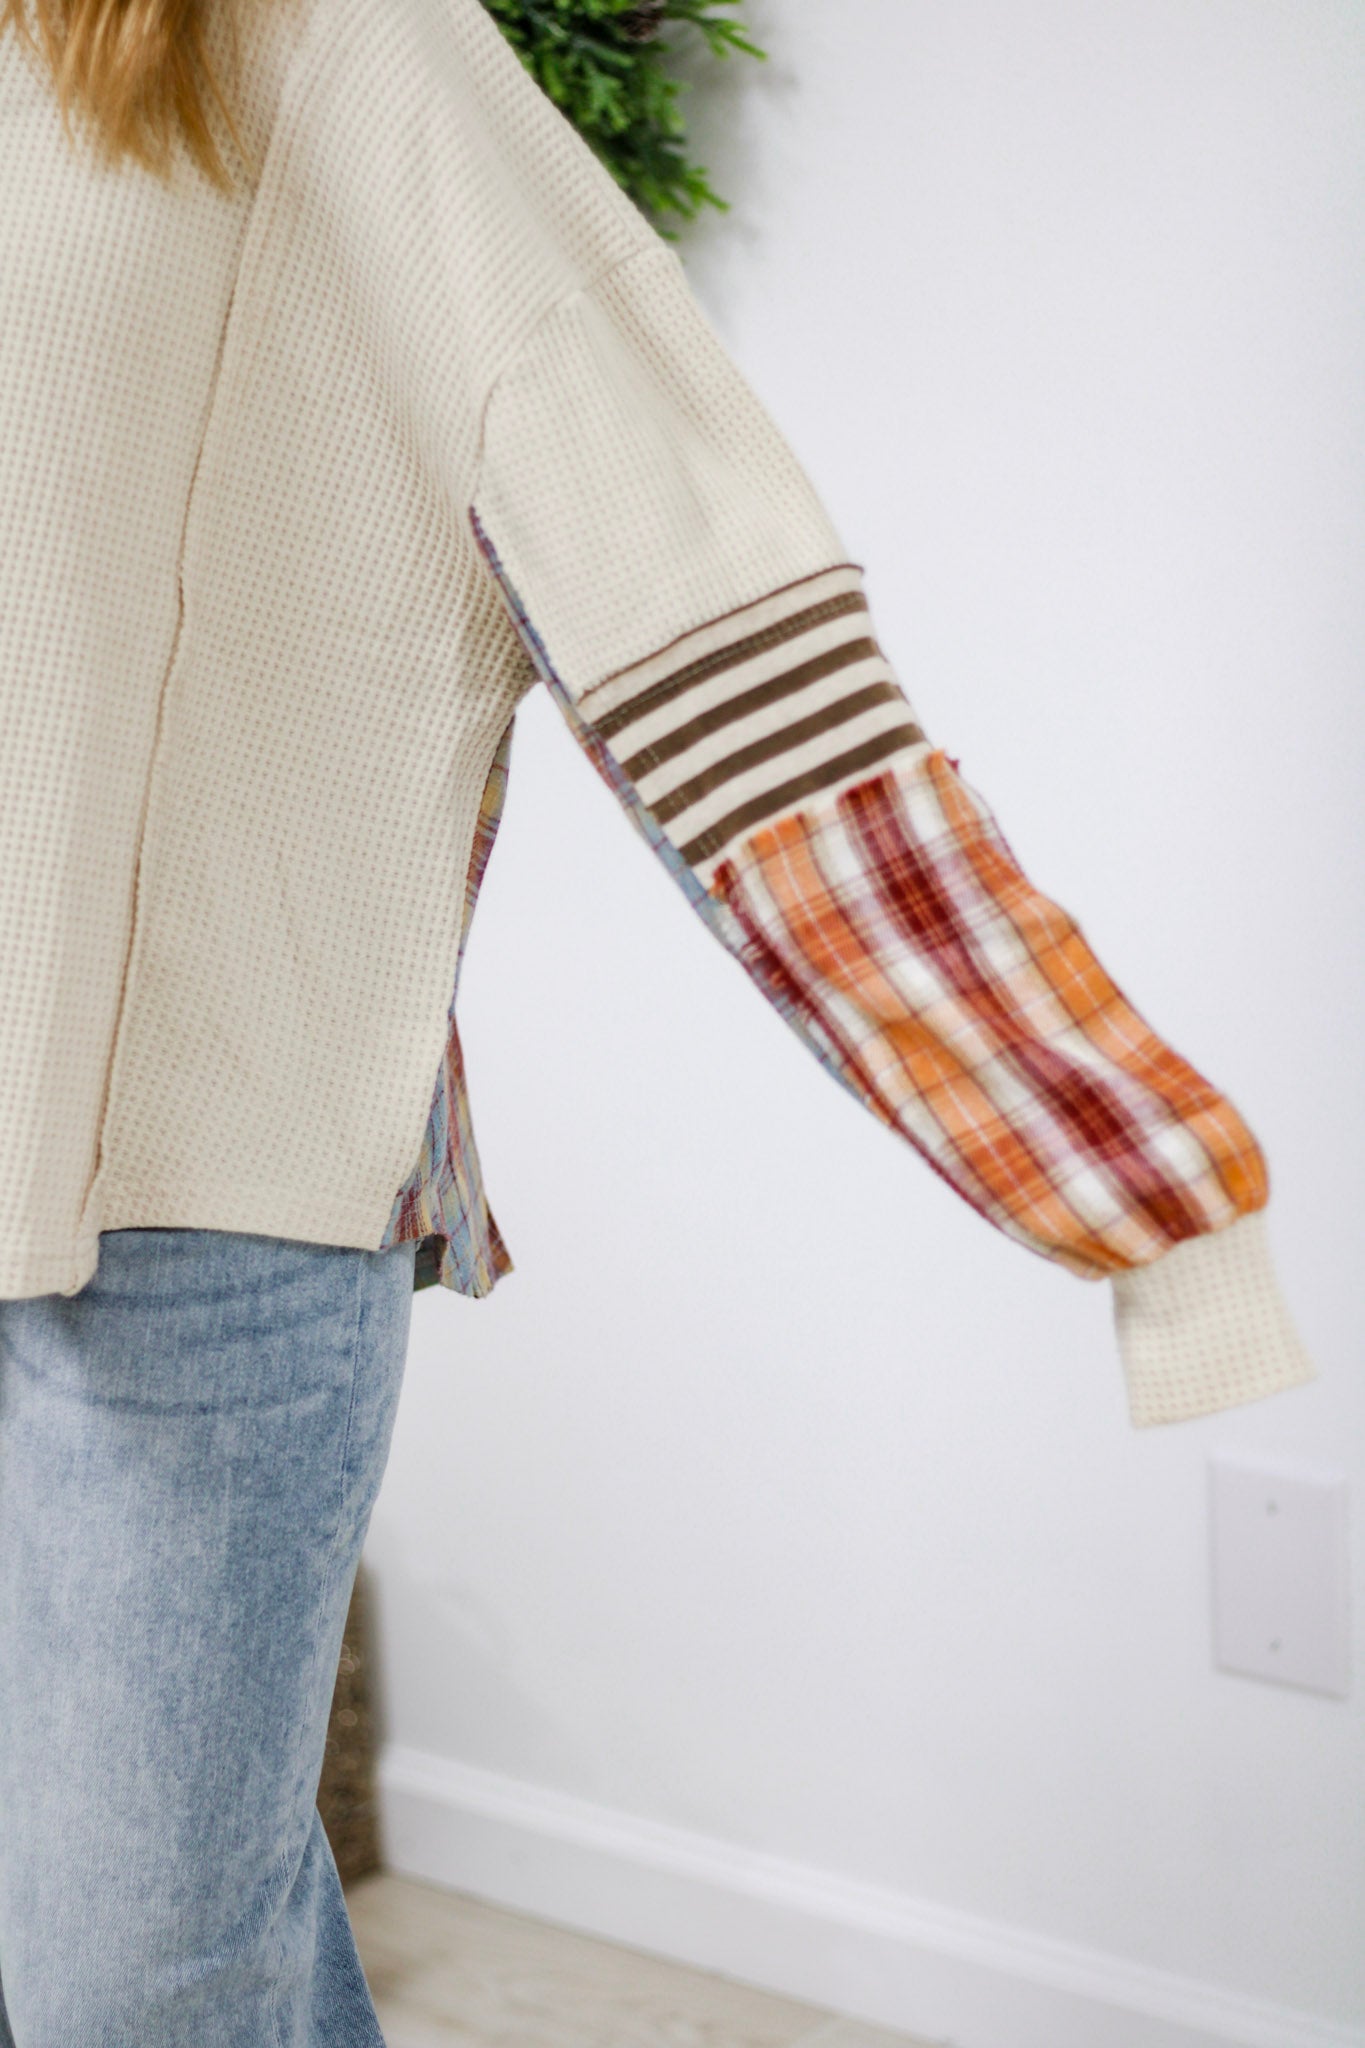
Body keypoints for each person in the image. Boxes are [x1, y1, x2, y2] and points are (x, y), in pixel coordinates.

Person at [0, 0, 1319, 2040]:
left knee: (132, 1985)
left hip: (188, 1200)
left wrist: (1130, 1187)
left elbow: (694, 609)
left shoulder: (318, 44)